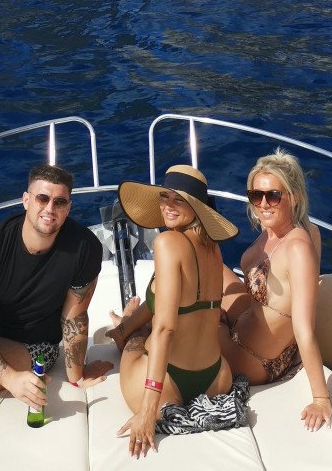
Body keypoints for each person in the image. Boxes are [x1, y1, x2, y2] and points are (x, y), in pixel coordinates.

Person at [0, 163, 112, 409]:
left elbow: (74, 318)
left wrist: (77, 377)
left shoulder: (85, 248)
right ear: (26, 200)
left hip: (36, 345)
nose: (50, 208)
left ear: (68, 207)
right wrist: (9, 378)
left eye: (59, 202)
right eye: (42, 198)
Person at [108, 165, 237, 458]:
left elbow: (166, 328)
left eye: (179, 199)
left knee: (134, 342)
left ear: (197, 207)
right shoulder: (213, 249)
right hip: (217, 378)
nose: (167, 205)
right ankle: (125, 325)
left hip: (166, 383)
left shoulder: (167, 242)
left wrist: (148, 409)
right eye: (165, 197)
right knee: (148, 322)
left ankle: (124, 329)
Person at [219, 149, 332, 432]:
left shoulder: (297, 247)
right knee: (207, 261)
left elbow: (304, 327)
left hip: (253, 360)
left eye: (273, 196)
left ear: (294, 197)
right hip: (246, 325)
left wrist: (320, 398)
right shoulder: (278, 233)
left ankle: (128, 330)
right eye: (256, 195)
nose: (263, 204)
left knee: (174, 323)